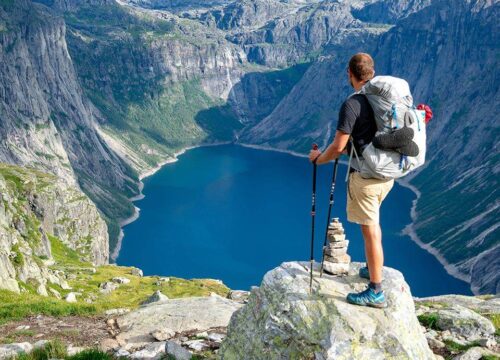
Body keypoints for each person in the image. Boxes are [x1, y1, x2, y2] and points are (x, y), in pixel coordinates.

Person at [308, 53, 393, 308]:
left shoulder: (353, 104)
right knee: (373, 226)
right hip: (387, 174)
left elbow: (338, 146)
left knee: (369, 232)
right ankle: (371, 268)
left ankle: (376, 291)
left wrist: (318, 159)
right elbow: (365, 139)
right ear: (372, 72)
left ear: (350, 73)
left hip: (366, 178)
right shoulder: (383, 98)